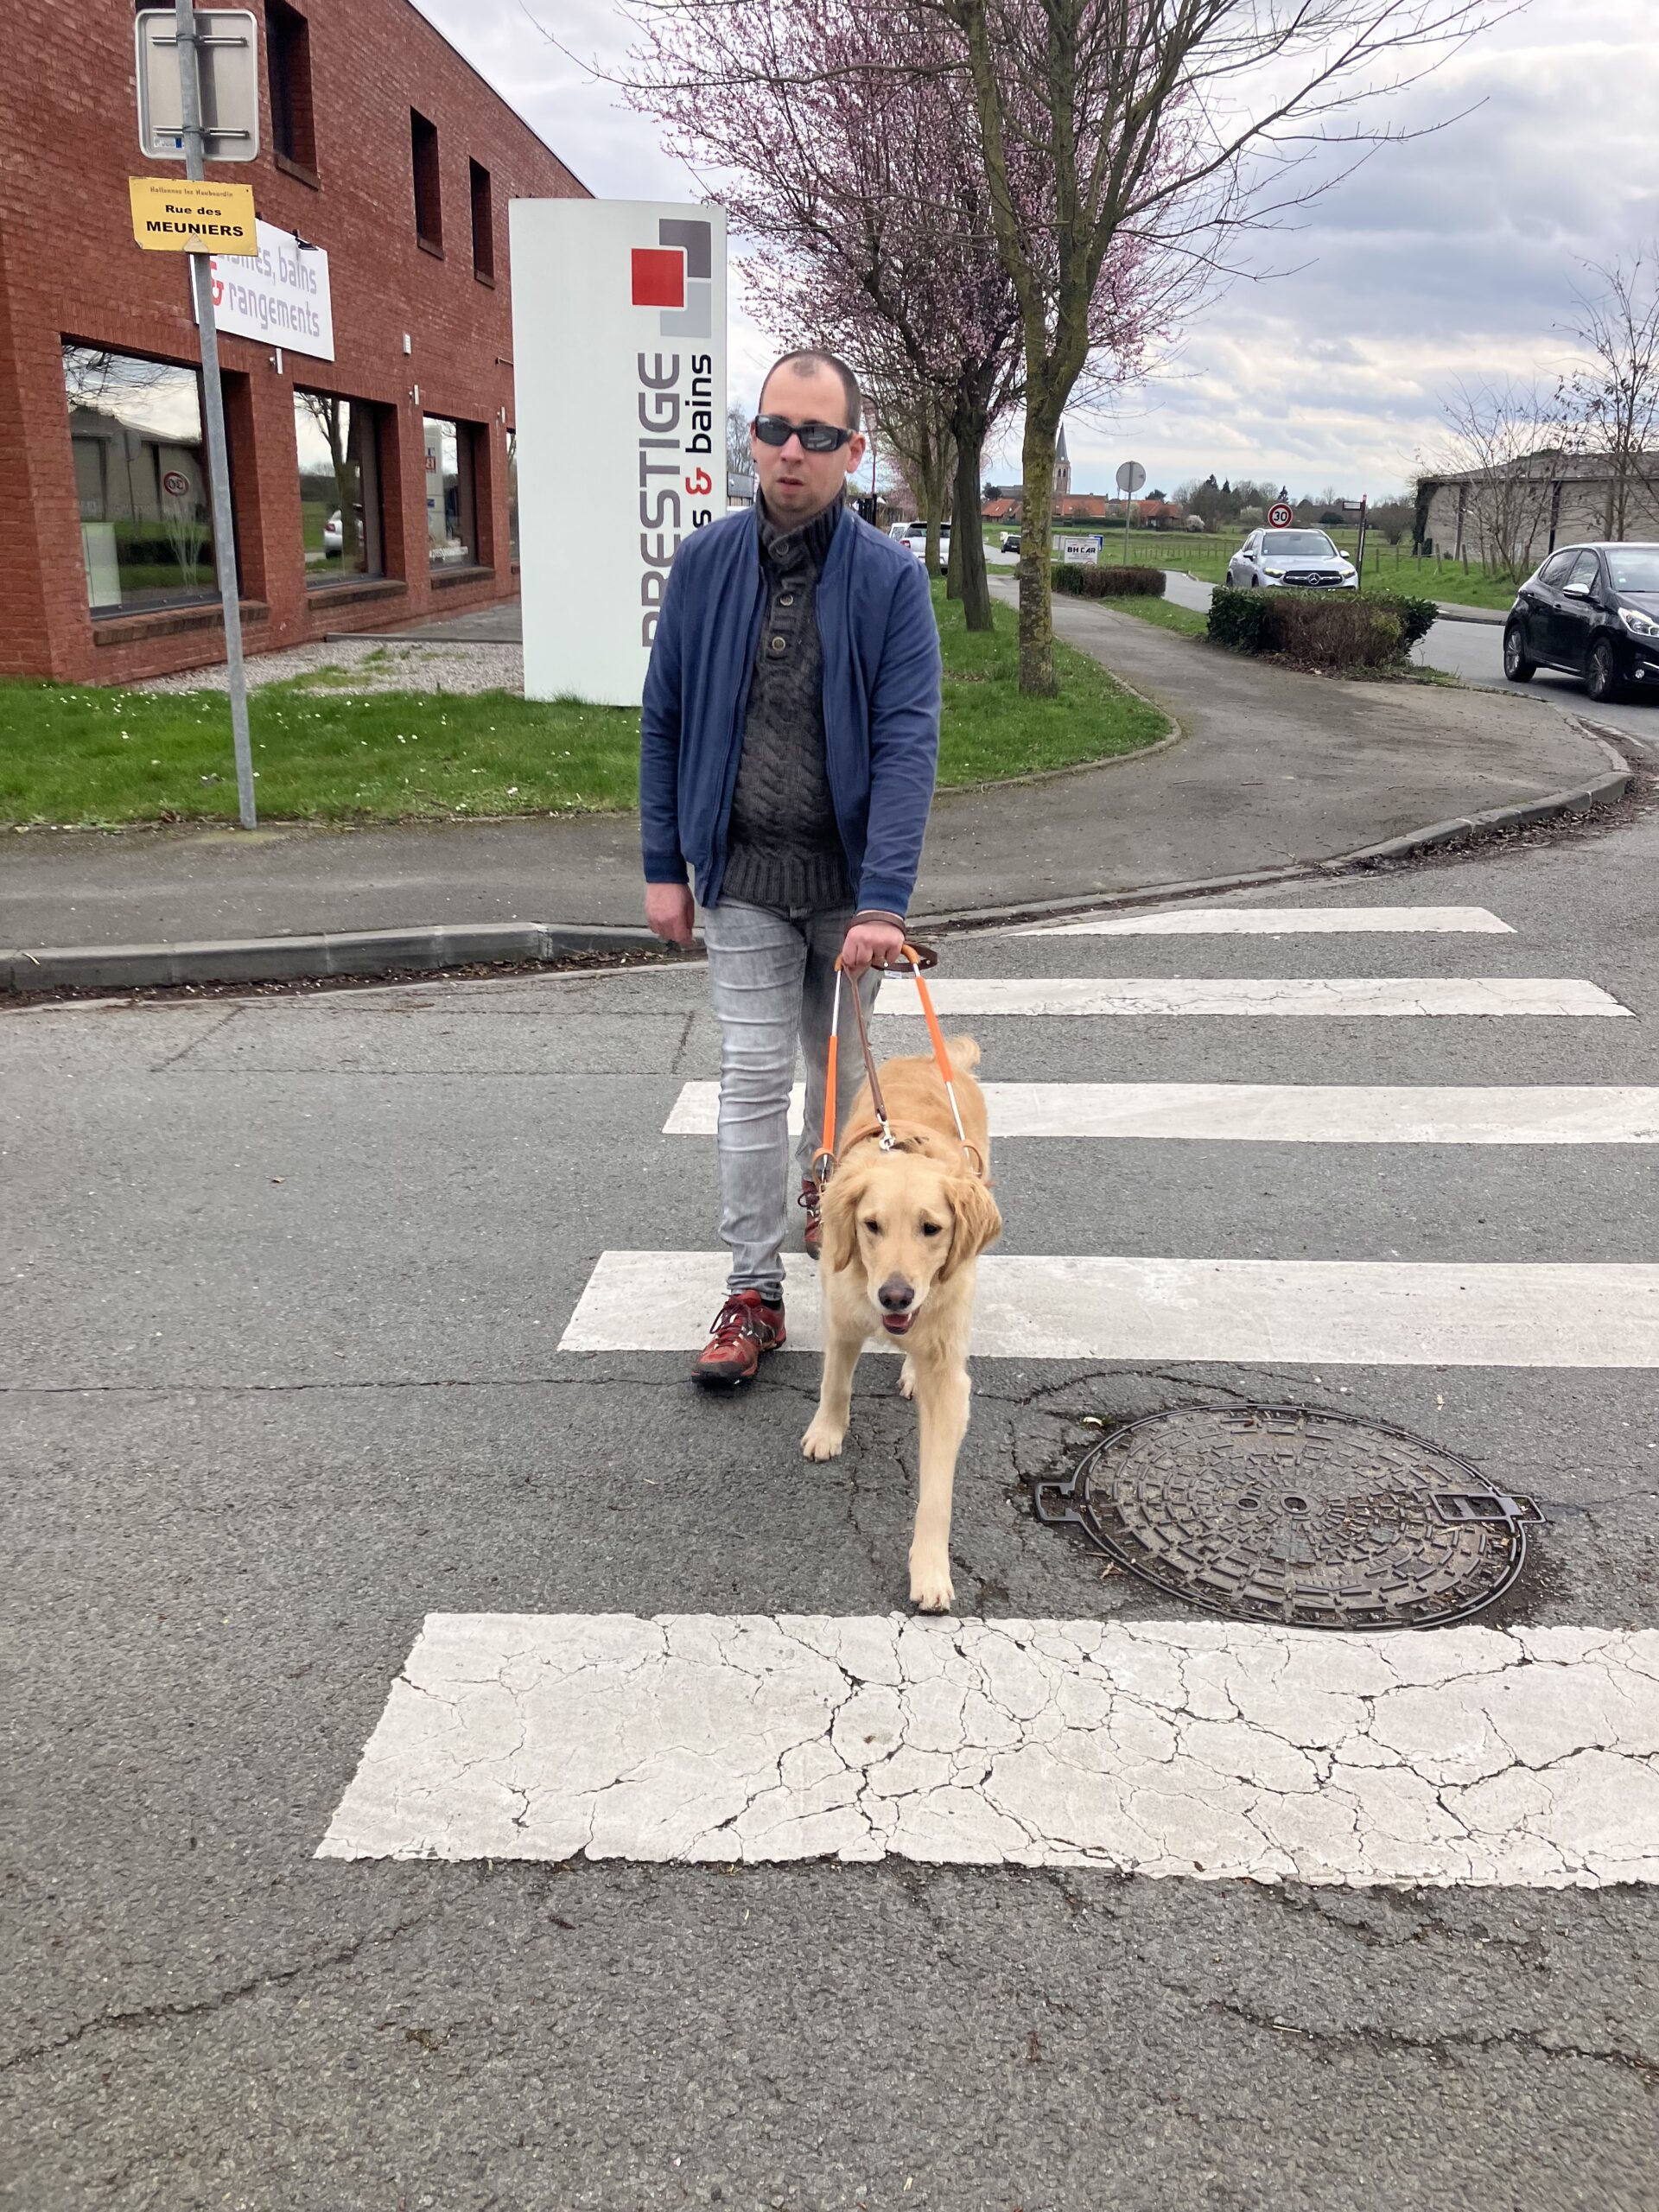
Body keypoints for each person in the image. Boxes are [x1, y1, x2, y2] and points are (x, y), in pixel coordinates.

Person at [640, 348, 943, 1387]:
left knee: (840, 1082)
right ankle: (751, 1290)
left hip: (847, 890)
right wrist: (662, 866)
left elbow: (909, 741)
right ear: (752, 437)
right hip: (741, 879)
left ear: (852, 452)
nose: (791, 452)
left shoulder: (891, 582)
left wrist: (884, 902)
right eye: (775, 429)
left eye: (818, 436)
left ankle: (830, 1199)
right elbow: (664, 721)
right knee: (755, 1075)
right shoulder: (707, 565)